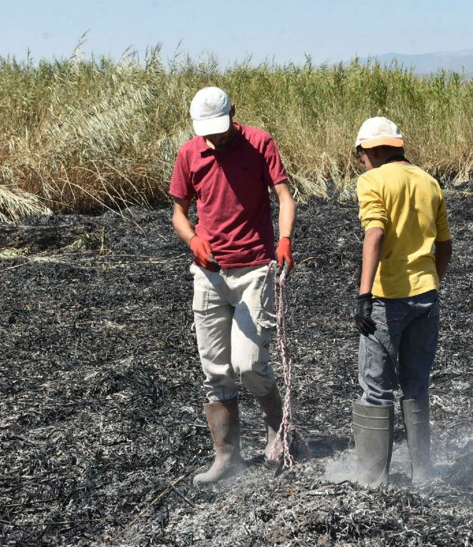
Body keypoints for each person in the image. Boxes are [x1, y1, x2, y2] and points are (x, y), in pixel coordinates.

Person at [169, 86, 296, 485]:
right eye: (208, 131)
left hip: (255, 270)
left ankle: (280, 430)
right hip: (208, 274)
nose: (215, 137)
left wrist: (285, 240)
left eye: (221, 129)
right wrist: (193, 240)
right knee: (215, 371)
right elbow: (178, 211)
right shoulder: (190, 153)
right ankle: (226, 457)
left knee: (248, 365)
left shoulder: (260, 143)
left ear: (234, 115)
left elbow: (285, 198)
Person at [350, 117, 452, 487]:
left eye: (361, 155)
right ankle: (422, 473)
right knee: (416, 385)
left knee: (376, 386)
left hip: (386, 300)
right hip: (426, 298)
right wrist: (431, 282)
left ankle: (372, 478)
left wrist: (364, 295)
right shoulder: (428, 181)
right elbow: (444, 245)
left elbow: (374, 232)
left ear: (374, 151)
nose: (362, 162)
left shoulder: (372, 181)